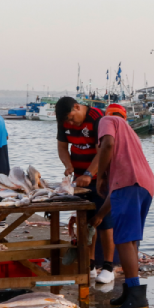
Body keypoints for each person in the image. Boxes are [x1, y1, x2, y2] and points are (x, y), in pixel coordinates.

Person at [93, 111, 154, 308]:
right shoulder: (129, 136)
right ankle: (130, 291)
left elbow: (107, 143)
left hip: (130, 185)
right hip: (145, 184)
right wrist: (101, 214)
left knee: (124, 240)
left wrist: (99, 175)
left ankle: (136, 296)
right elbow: (116, 194)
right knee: (131, 240)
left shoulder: (106, 120)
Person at [55, 97, 115, 283]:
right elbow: (62, 147)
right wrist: (68, 165)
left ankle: (108, 266)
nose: (71, 122)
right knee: (86, 221)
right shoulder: (63, 121)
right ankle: (89, 263)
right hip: (79, 179)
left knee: (103, 220)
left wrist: (90, 173)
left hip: (100, 177)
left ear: (77, 106)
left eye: (72, 118)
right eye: (68, 121)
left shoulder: (97, 118)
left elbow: (103, 150)